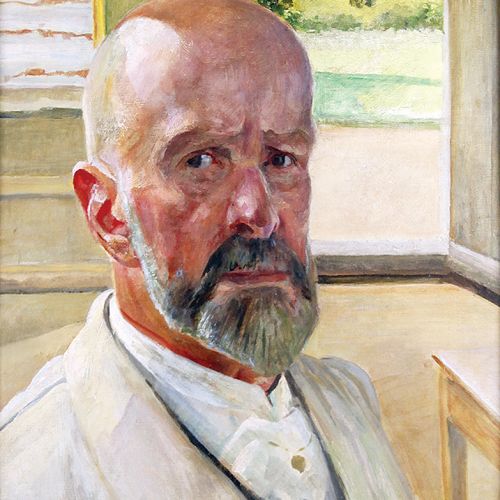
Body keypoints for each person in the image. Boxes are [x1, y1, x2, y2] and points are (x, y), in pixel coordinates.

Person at [0, 0, 412, 498]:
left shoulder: (348, 398)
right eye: (200, 162)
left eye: (282, 159)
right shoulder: (31, 470)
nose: (259, 215)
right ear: (108, 215)